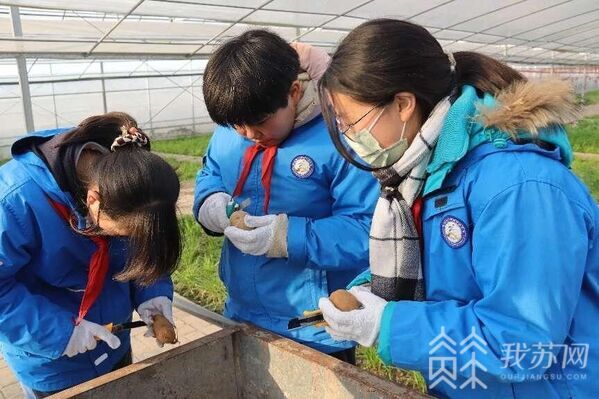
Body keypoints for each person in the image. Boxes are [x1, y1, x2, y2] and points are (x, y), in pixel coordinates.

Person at [317, 19, 599, 398]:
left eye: (350, 121)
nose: (349, 136)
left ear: (402, 104)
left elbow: (523, 341)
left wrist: (389, 325)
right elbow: (443, 267)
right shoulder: (430, 173)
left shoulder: (519, 187)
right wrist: (374, 290)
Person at [194, 30, 379, 363]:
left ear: (293, 92)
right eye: (238, 125)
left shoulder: (340, 137)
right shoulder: (235, 122)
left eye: (261, 122)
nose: (250, 135)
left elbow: (367, 228)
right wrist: (209, 202)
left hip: (312, 326)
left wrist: (286, 236)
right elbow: (210, 172)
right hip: (241, 310)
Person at [0, 112, 181, 397]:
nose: (126, 241)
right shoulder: (13, 201)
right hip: (54, 364)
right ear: (93, 199)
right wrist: (60, 333)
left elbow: (140, 252)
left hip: (113, 344)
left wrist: (153, 295)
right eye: (120, 234)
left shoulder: (128, 173)